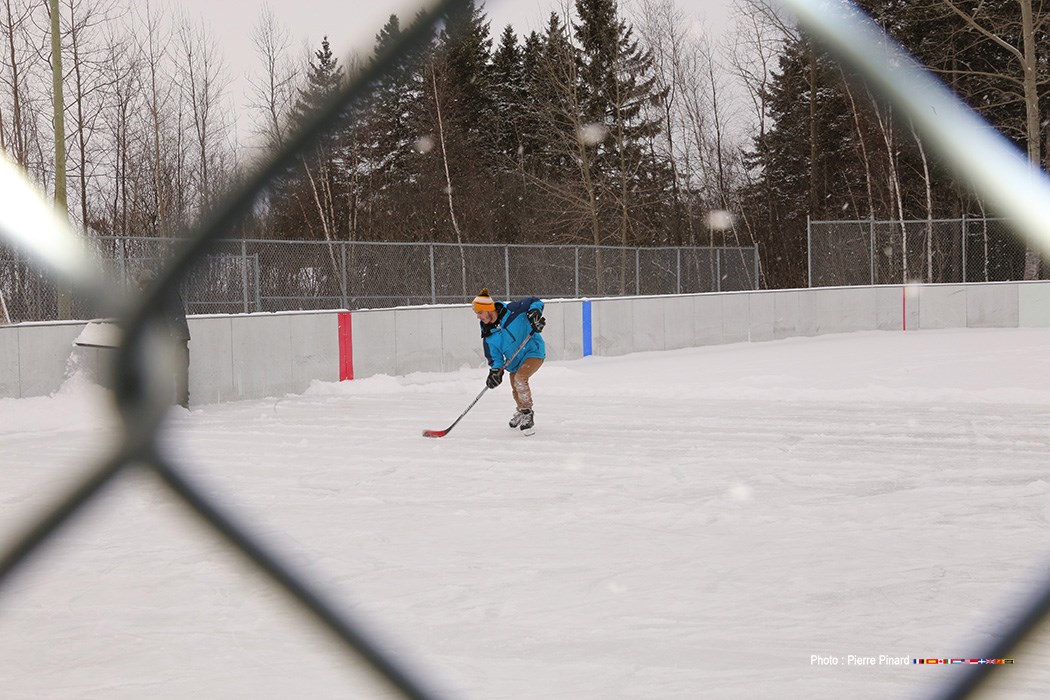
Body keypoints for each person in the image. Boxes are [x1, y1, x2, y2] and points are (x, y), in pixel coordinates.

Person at [472, 287, 546, 435]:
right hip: (514, 362)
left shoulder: (513, 311)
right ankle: (521, 410)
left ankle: (527, 413)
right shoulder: (489, 335)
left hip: (533, 351)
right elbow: (495, 359)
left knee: (520, 379)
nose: (478, 317)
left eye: (480, 312)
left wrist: (534, 314)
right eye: (476, 313)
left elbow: (535, 301)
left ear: (489, 309)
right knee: (515, 384)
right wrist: (495, 373)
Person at [136, 269, 191, 408]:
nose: (140, 289)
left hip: (171, 337)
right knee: (180, 369)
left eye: (141, 286)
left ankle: (171, 402)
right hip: (179, 334)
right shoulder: (166, 288)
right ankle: (182, 402)